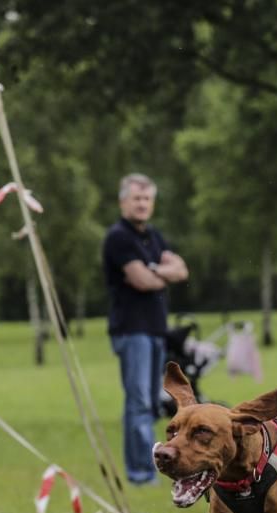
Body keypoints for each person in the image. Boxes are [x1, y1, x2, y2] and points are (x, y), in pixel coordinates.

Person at [102, 173, 188, 485]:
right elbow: (143, 280)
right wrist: (160, 272)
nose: (142, 204)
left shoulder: (153, 236)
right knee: (138, 402)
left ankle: (148, 467)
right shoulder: (119, 238)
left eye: (147, 199)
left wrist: (155, 270)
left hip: (155, 329)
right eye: (136, 198)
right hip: (131, 330)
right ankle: (140, 474)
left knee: (152, 402)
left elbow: (181, 269)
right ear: (123, 201)